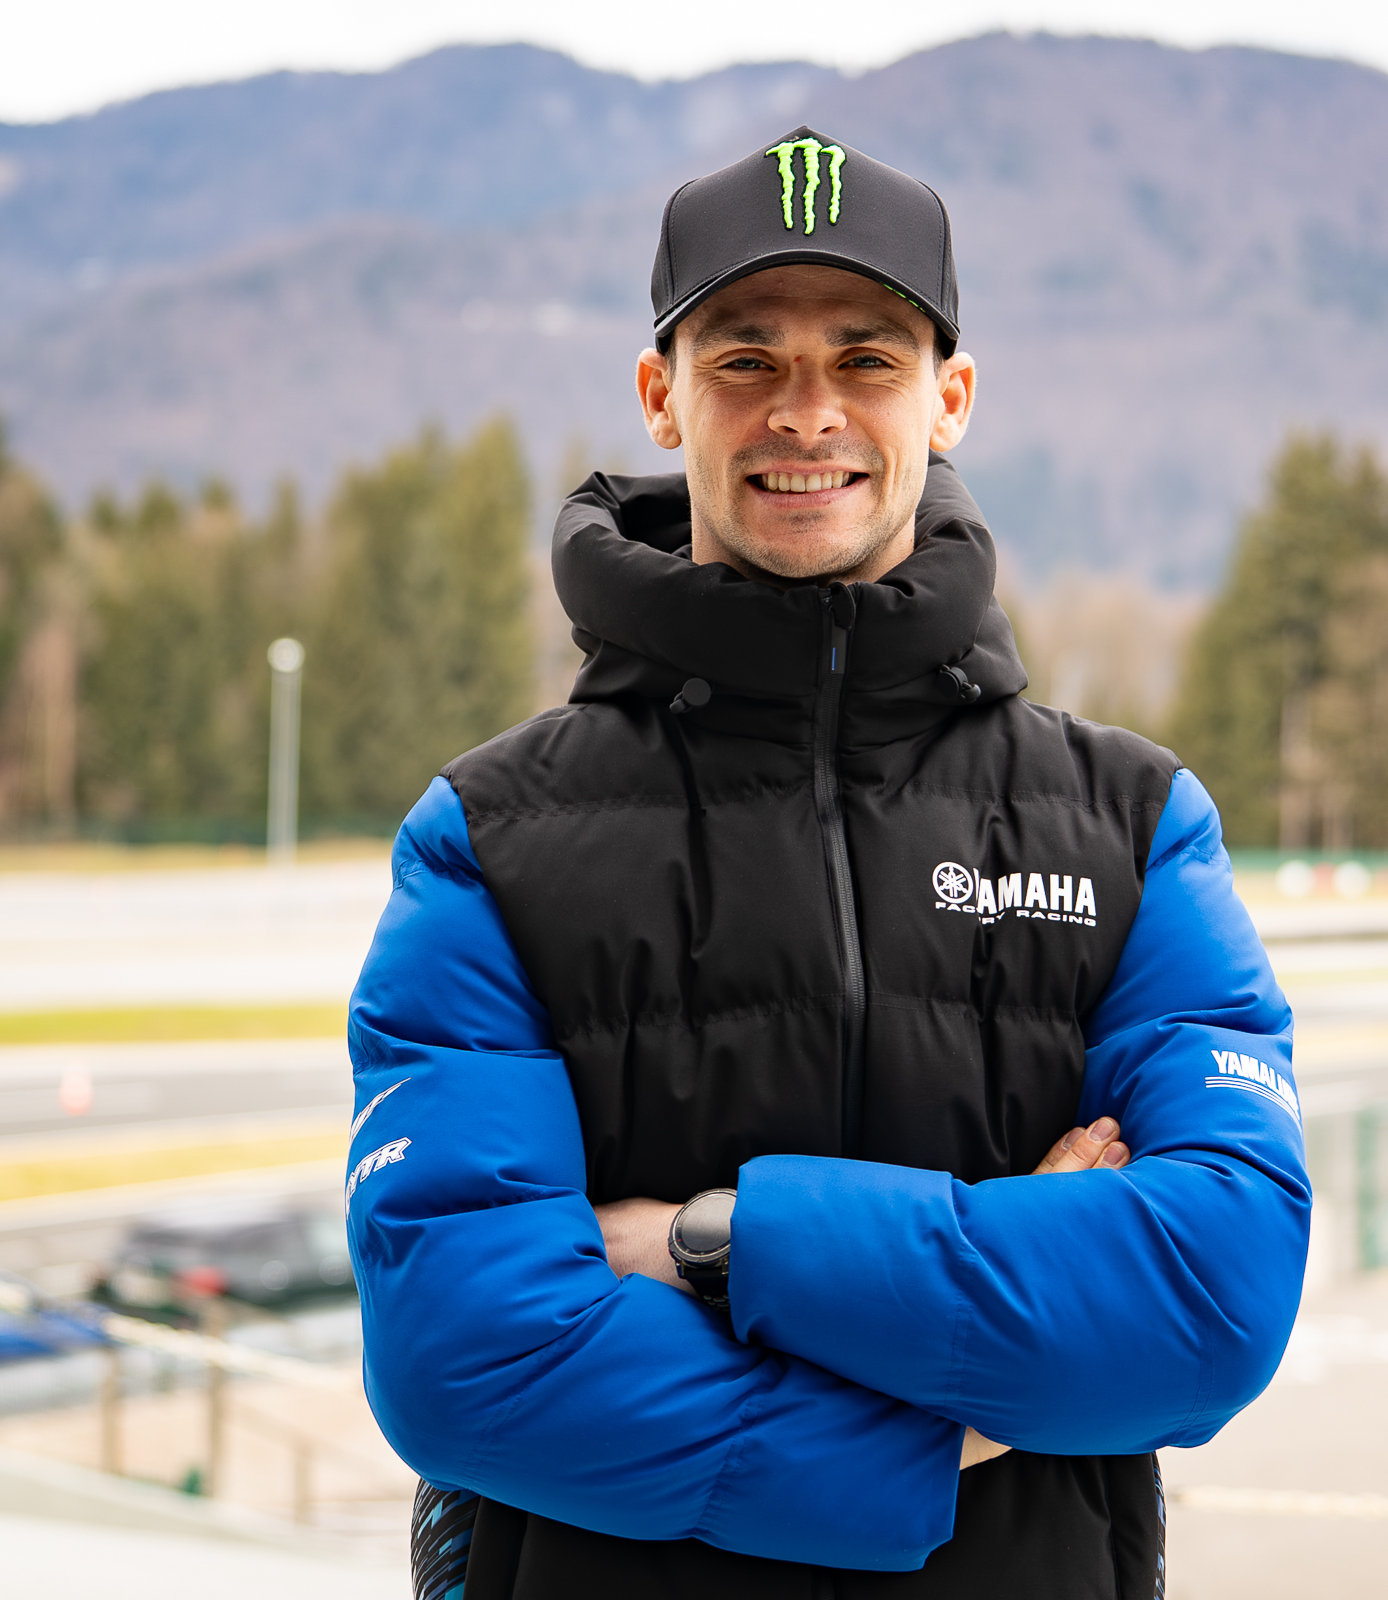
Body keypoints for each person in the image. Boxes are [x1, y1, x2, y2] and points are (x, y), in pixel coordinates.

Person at [347, 127, 1306, 1599]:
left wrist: (716, 1244)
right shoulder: (489, 838)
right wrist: (955, 1430)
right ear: (662, 394)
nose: (807, 412)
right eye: (747, 359)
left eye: (867, 358)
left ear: (949, 397)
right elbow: (467, 1359)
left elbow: (1210, 1293)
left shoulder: (1129, 822)